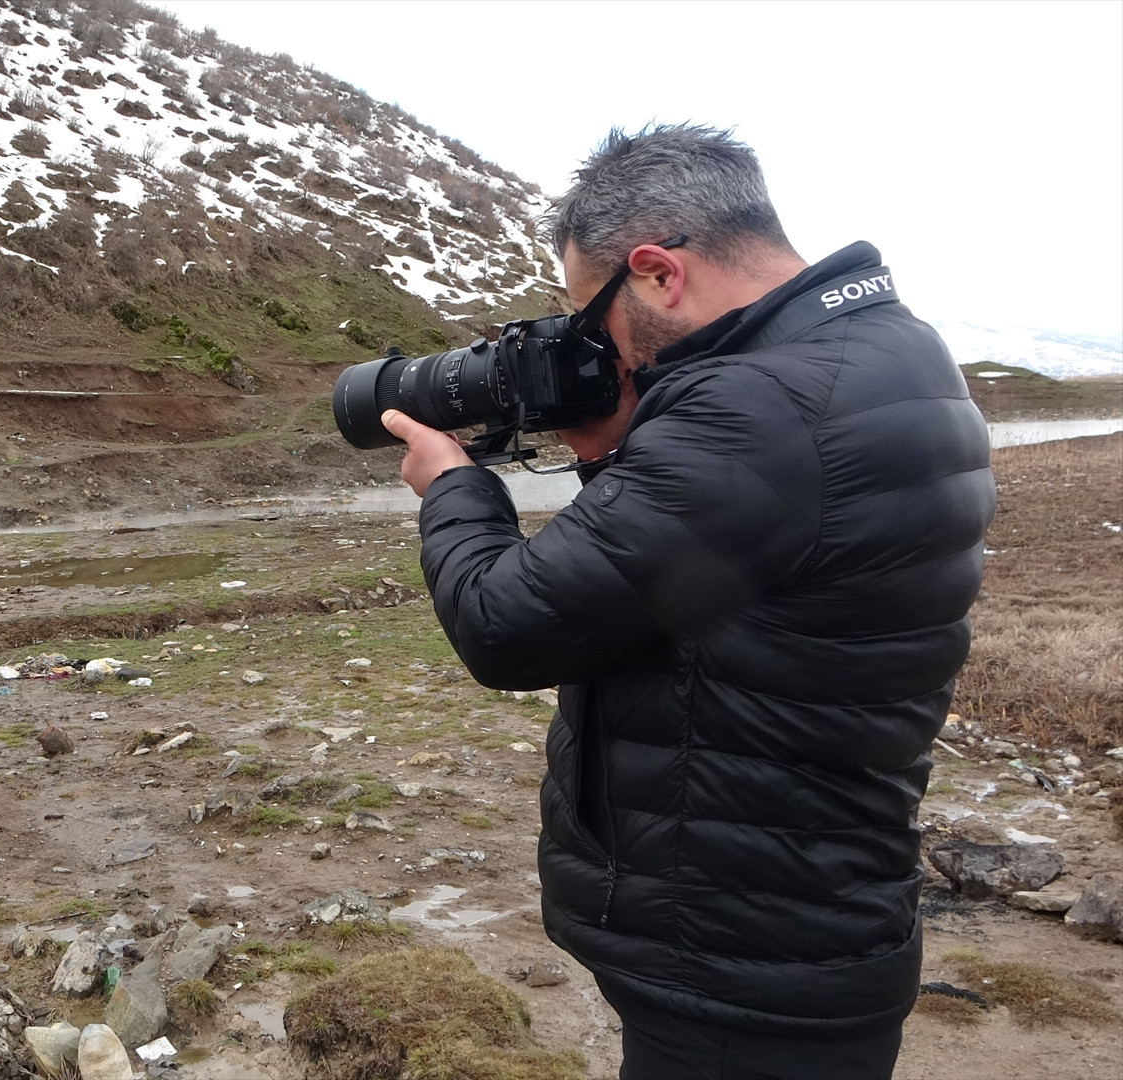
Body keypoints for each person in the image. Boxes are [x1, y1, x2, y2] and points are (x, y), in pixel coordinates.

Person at [382, 124, 993, 1079]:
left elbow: (505, 627)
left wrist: (455, 485)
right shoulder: (886, 351)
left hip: (736, 964)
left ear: (660, 273)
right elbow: (696, 569)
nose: (594, 346)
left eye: (594, 317)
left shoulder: (760, 408)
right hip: (805, 913)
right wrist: (611, 451)